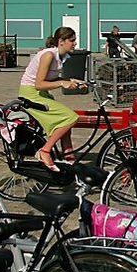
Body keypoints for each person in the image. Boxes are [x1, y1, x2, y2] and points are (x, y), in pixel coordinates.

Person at [18, 27, 85, 171]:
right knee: (71, 118)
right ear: (61, 41)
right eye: (72, 40)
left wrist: (72, 80)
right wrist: (62, 83)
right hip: (31, 94)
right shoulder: (48, 55)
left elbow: (52, 78)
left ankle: (69, 159)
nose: (75, 43)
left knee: (65, 127)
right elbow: (39, 83)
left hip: (41, 94)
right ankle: (45, 151)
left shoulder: (61, 56)